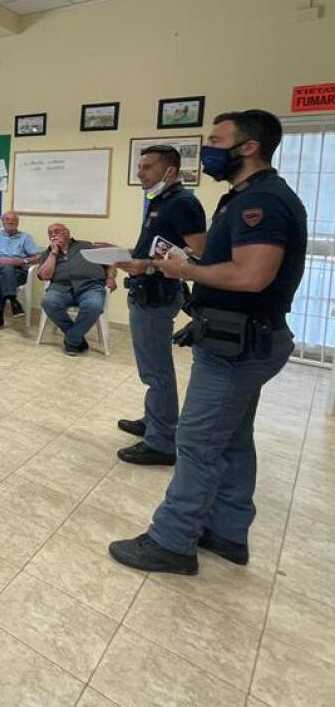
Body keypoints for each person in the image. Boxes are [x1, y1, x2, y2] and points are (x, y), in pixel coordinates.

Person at [110, 109, 306, 575]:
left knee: (196, 442)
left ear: (248, 146)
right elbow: (214, 257)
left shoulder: (265, 201)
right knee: (233, 439)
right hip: (236, 336)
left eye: (216, 140)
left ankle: (172, 541)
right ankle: (227, 531)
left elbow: (253, 275)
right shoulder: (239, 198)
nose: (209, 148)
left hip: (239, 343)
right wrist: (161, 264)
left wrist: (187, 271)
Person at [112, 145, 207, 466]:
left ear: (169, 171)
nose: (140, 172)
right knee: (150, 368)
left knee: (157, 371)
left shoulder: (183, 204)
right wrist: (127, 255)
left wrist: (147, 266)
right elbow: (157, 249)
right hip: (145, 291)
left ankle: (162, 441)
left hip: (158, 295)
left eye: (147, 167)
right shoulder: (160, 201)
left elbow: (200, 255)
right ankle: (154, 420)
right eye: (139, 166)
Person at [37, 223, 117, 355]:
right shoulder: (47, 252)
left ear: (67, 233)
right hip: (61, 288)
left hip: (90, 287)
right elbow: (44, 275)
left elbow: (110, 263)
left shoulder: (86, 246)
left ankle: (71, 340)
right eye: (50, 233)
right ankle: (77, 338)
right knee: (48, 302)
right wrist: (53, 254)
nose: (53, 235)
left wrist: (111, 278)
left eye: (57, 231)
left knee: (94, 305)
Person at [0, 211, 41, 330]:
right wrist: (0, 260)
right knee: (6, 268)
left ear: (18, 223)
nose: (10, 222)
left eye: (14, 220)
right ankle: (13, 299)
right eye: (7, 219)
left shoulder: (26, 237)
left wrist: (23, 261)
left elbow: (38, 257)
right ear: (2, 222)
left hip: (19, 271)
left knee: (0, 280)